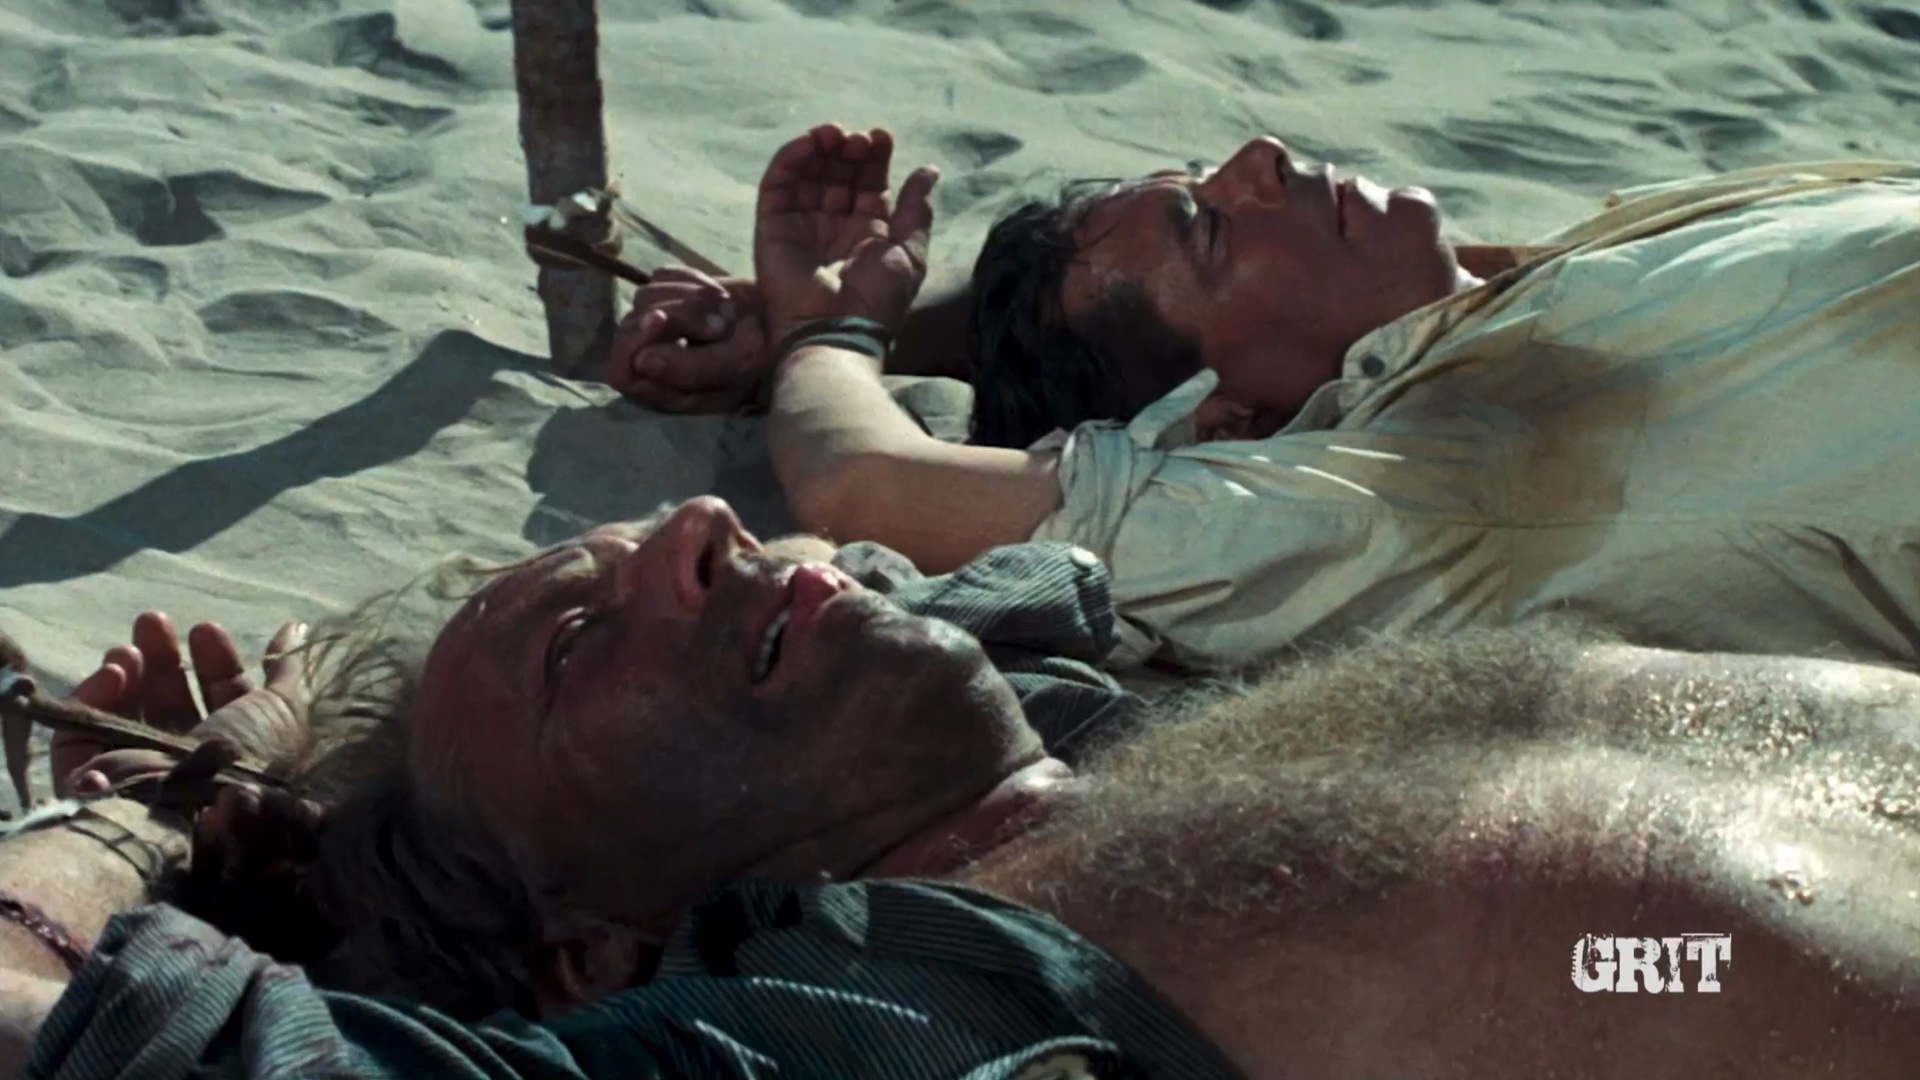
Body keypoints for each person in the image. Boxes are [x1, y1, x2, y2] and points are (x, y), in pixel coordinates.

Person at [9, 495, 1920, 1078]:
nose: (696, 532)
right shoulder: (847, 1023)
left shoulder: (1120, 731)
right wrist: (161, 817)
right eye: (579, 641)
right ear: (583, 945)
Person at [615, 124, 1920, 673]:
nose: (1261, 155)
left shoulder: (1514, 306)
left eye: (1202, 179)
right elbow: (866, 484)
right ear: (1227, 424)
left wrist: (882, 322)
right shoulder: (1419, 490)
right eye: (1210, 226)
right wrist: (827, 334)